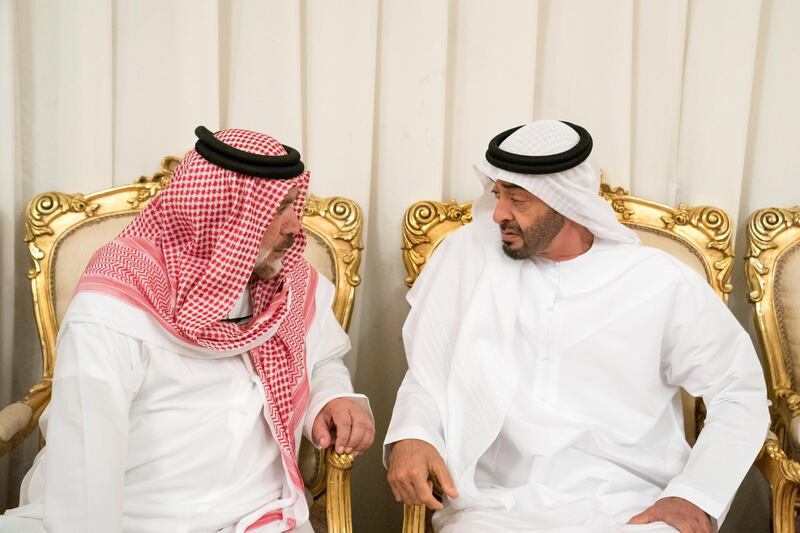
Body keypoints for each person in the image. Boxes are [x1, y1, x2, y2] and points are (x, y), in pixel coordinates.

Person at [385, 120, 769, 533]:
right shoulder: (470, 261)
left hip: (633, 506)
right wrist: (413, 434)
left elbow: (738, 390)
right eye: (497, 195)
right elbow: (428, 373)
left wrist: (694, 496)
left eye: (518, 199)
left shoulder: (656, 281)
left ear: (565, 201)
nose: (498, 214)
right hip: (496, 506)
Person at [0, 126, 374, 533]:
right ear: (224, 213)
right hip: (128, 515)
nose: (294, 227)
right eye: (278, 209)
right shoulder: (115, 301)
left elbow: (322, 356)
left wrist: (333, 397)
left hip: (255, 515)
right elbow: (87, 457)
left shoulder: (289, 282)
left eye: (293, 205)